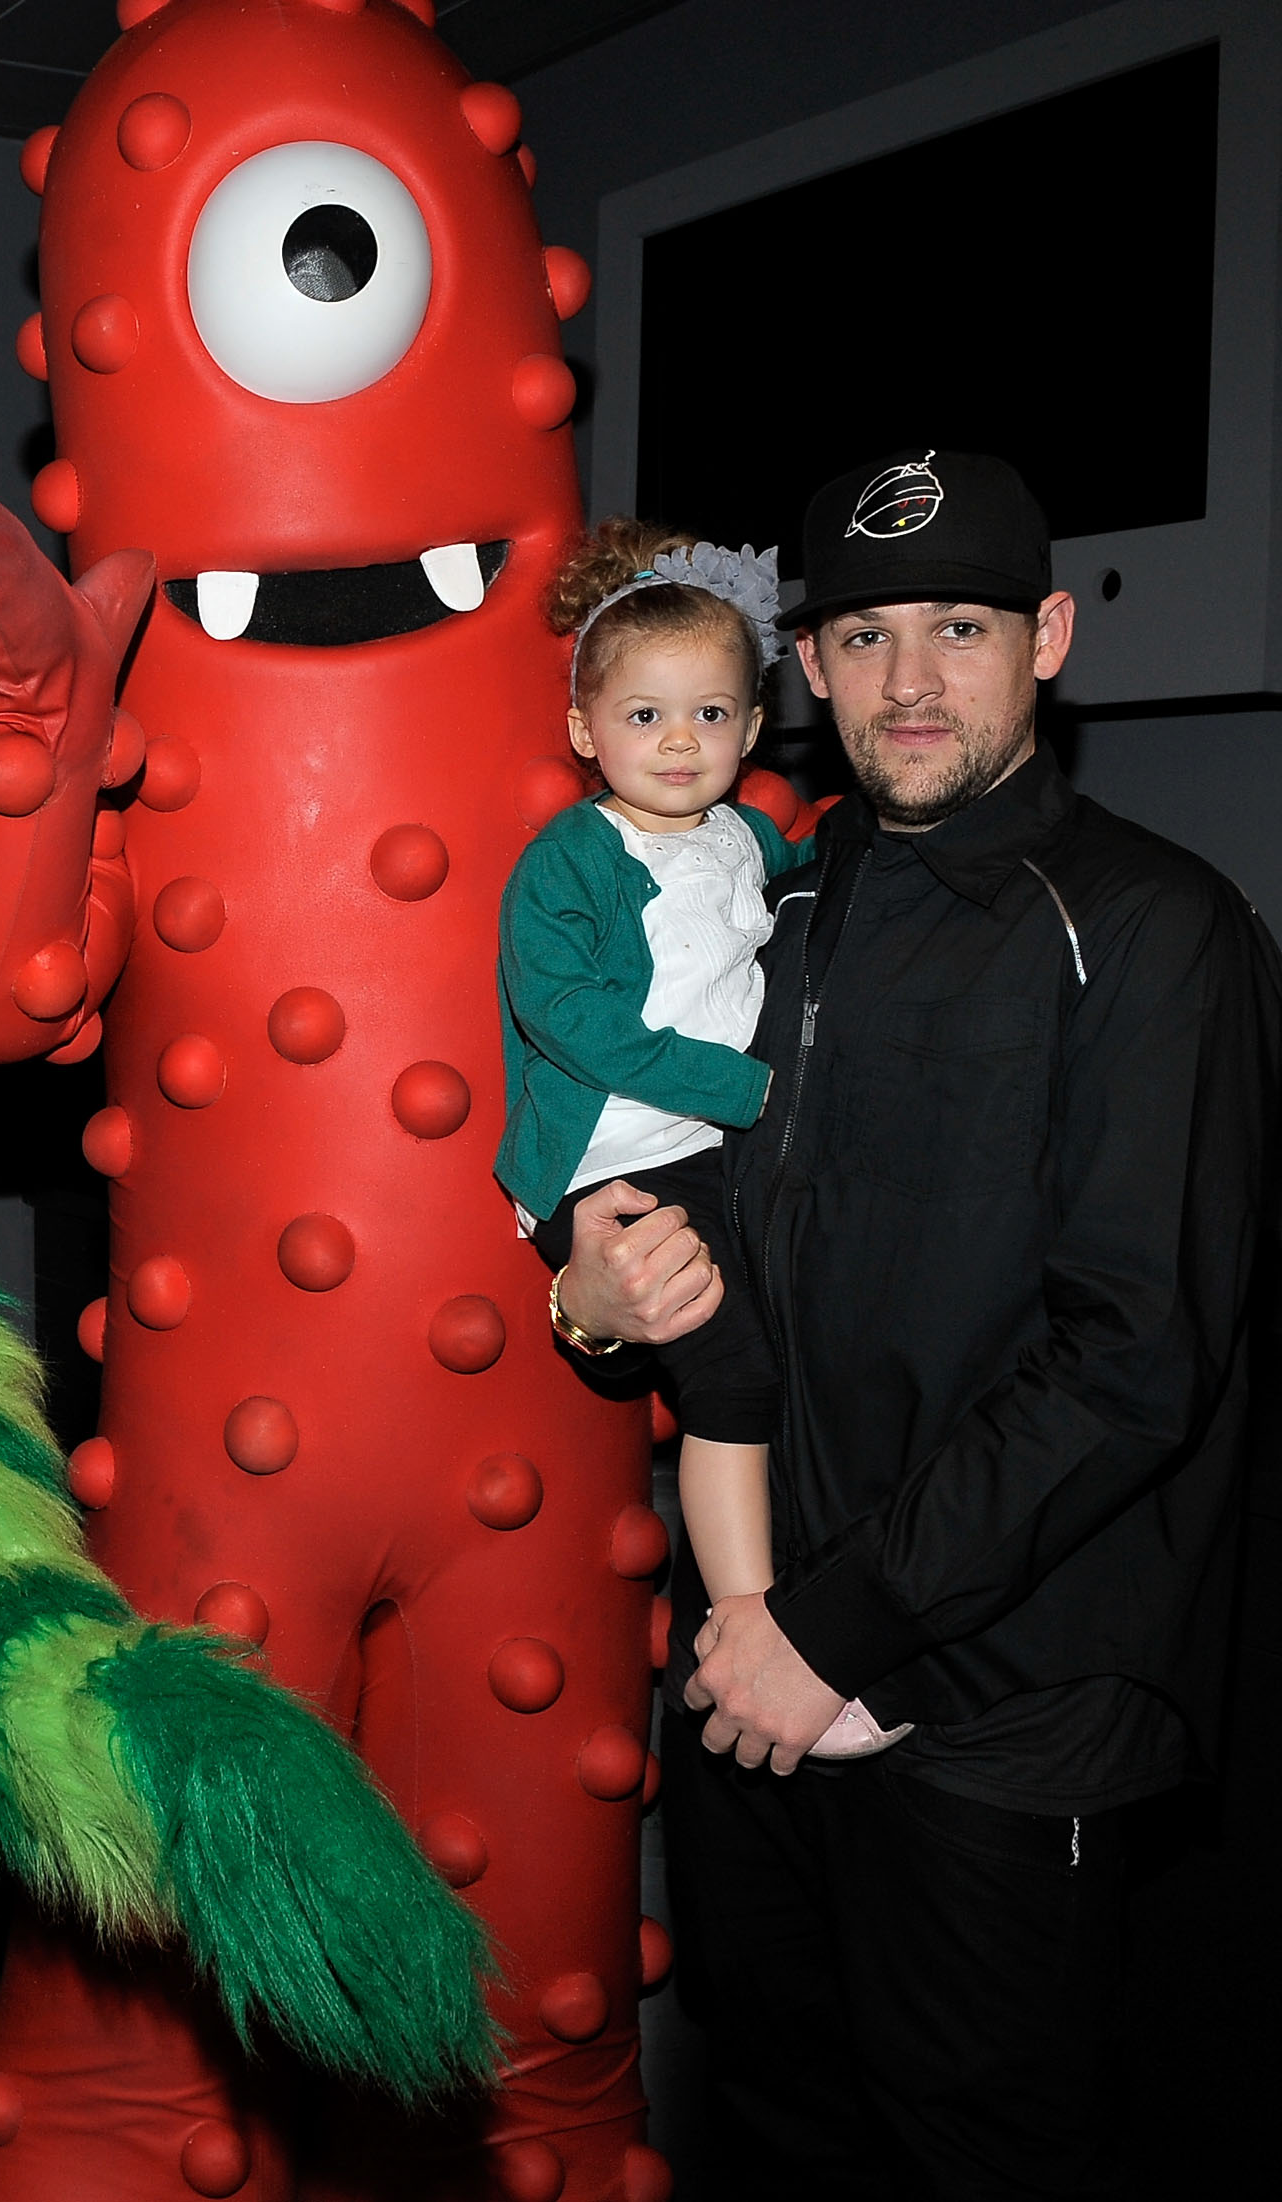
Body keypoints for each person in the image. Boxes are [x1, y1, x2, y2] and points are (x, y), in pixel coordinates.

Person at [551, 450, 1282, 2196]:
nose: (910, 681)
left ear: (1044, 638)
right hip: (763, 1670)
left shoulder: (1153, 926)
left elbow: (1132, 1361)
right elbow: (697, 1199)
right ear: (804, 666)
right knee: (783, 2127)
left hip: (1003, 1707)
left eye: (958, 627)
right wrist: (591, 1295)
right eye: (864, 635)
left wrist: (833, 1629)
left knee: (981, 2156)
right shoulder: (771, 908)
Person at [498, 520, 896, 1759]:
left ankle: (825, 1607)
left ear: (753, 721)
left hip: (715, 1138)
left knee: (793, 1345)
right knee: (731, 1376)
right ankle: (744, 1633)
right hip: (617, 1154)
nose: (682, 745)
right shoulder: (572, 860)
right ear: (585, 729)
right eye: (648, 717)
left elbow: (793, 874)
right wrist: (742, 1086)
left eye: (714, 716)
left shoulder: (735, 836)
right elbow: (573, 1025)